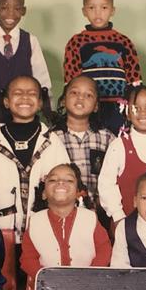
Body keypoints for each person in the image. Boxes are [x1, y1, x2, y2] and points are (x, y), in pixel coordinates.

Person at [0, 75, 69, 242]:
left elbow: (66, 185)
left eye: (32, 93)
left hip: (44, 233)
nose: (25, 97)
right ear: (6, 102)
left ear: (40, 103)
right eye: (17, 92)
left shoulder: (52, 141)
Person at [20, 163, 111, 290]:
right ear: (44, 193)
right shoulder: (35, 221)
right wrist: (47, 280)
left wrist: (90, 276)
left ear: (78, 192)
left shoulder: (90, 218)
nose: (61, 183)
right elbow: (28, 259)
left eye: (69, 180)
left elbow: (104, 250)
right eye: (53, 180)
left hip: (88, 289)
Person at [63, 0, 142, 135]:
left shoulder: (123, 41)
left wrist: (133, 101)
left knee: (119, 140)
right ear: (84, 11)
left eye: (104, 7)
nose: (98, 13)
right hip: (89, 105)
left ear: (112, 10)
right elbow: (71, 77)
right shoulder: (76, 42)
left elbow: (134, 75)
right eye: (92, 8)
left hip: (118, 105)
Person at [0, 0, 52, 128]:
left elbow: (42, 76)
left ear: (24, 11)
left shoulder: (30, 40)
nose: (10, 14)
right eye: (4, 8)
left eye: (17, 9)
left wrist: (46, 106)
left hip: (24, 111)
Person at [98, 85, 146, 226]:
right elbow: (106, 184)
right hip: (126, 225)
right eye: (136, 108)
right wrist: (118, 216)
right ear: (127, 112)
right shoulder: (118, 146)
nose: (142, 113)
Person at [50, 75, 115, 227]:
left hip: (98, 216)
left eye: (88, 95)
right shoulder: (51, 137)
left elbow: (114, 178)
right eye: (74, 93)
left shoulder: (107, 139)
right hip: (60, 215)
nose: (80, 98)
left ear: (96, 106)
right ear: (63, 100)